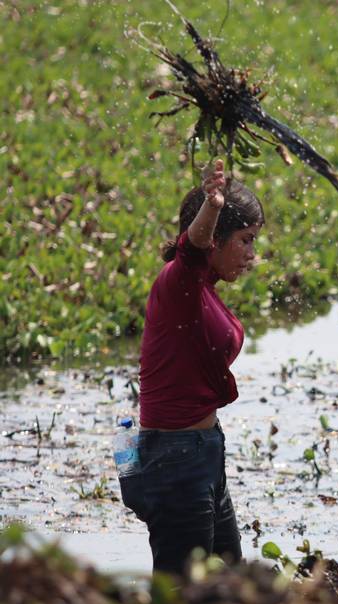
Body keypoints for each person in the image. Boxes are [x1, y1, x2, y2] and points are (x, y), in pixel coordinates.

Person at [120, 160, 263, 575]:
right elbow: (193, 248)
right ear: (215, 240)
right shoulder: (179, 282)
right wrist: (213, 206)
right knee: (182, 593)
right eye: (246, 240)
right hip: (176, 460)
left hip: (203, 454)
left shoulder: (202, 289)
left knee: (230, 582)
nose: (252, 255)